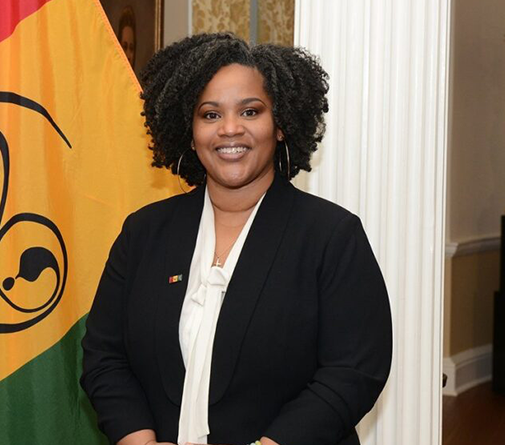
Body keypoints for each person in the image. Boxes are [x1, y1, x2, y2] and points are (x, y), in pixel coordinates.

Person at [81, 33, 392, 445]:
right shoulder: (143, 233)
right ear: (189, 133)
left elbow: (353, 371)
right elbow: (105, 358)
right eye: (210, 115)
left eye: (250, 111)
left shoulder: (332, 236)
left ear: (279, 126)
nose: (230, 129)